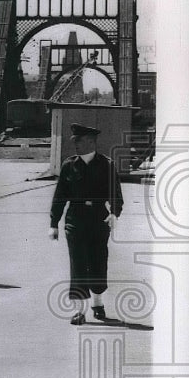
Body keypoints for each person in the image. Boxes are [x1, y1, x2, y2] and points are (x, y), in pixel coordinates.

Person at [49, 123, 124, 324]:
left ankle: (97, 303)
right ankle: (79, 311)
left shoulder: (106, 165)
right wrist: (53, 223)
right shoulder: (69, 165)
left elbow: (115, 194)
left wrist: (115, 213)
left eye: (79, 141)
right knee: (78, 264)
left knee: (98, 261)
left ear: (91, 142)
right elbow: (59, 197)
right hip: (75, 221)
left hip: (99, 220)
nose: (75, 145)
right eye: (74, 141)